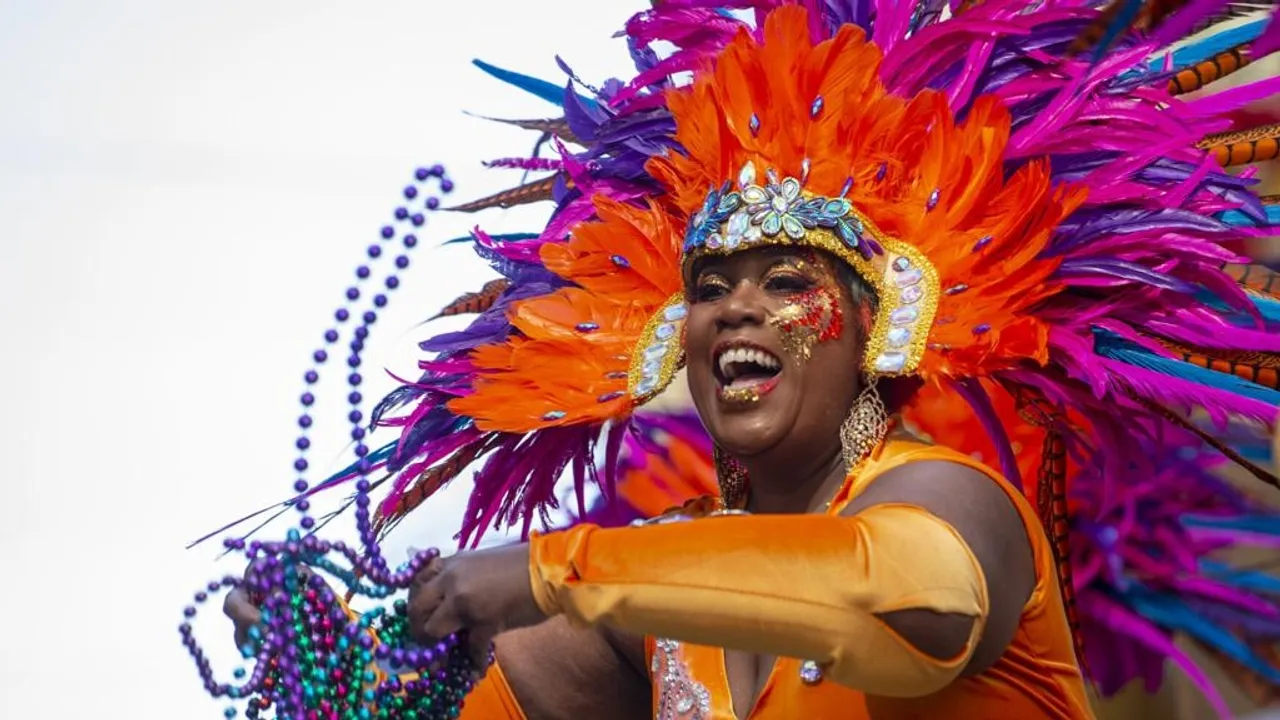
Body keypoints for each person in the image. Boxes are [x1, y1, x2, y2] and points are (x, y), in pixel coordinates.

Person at [220, 2, 1280, 718]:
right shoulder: (665, 587)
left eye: (785, 284)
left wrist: (556, 570)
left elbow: (883, 597)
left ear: (880, 330)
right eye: (709, 290)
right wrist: (350, 672)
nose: (737, 312)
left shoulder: (955, 505)